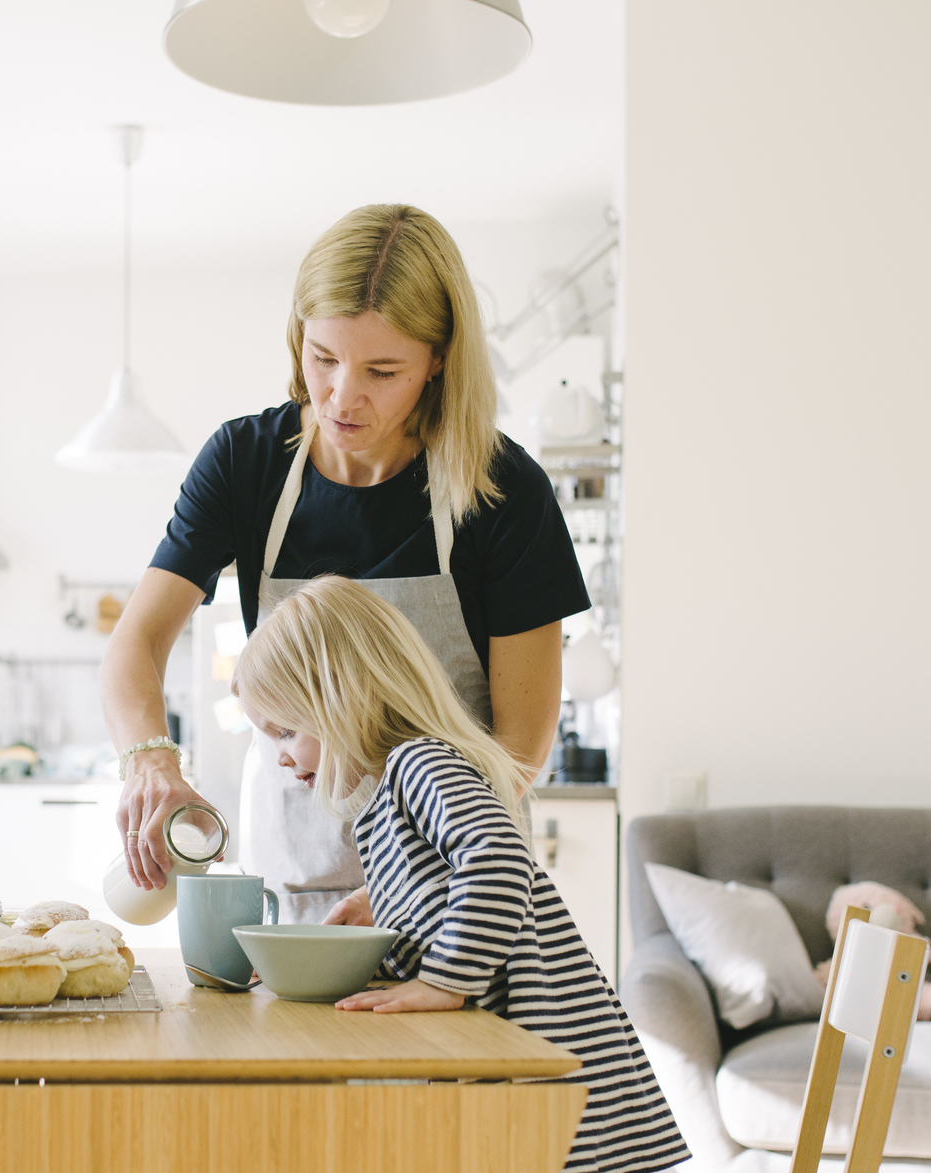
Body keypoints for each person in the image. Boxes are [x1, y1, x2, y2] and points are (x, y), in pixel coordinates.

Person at [230, 578, 870, 1173]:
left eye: (284, 728)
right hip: (529, 1066)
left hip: (539, 1063)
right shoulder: (394, 785)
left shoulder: (421, 764)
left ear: (338, 698)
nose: (279, 752)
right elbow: (450, 879)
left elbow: (497, 867)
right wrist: (384, 907)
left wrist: (442, 981)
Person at [101, 204, 583, 922]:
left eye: (382, 370)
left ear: (438, 360)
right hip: (290, 883)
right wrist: (149, 760)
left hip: (453, 895)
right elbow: (135, 642)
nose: (340, 396)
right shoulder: (246, 465)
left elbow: (517, 751)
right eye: (322, 358)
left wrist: (405, 884)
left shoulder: (501, 489)